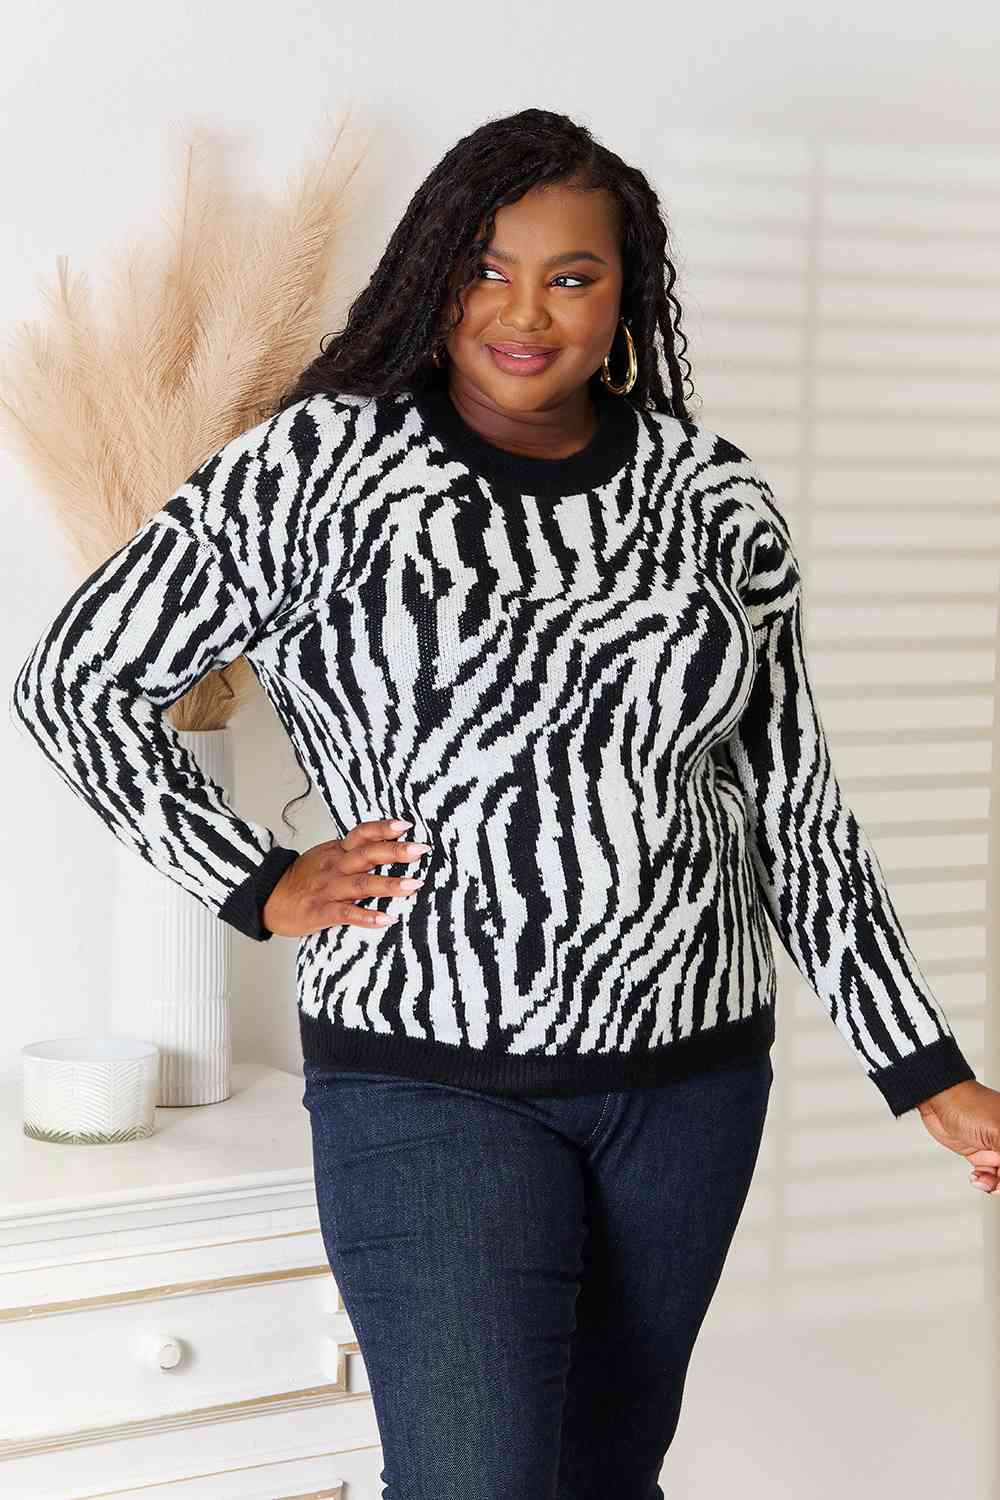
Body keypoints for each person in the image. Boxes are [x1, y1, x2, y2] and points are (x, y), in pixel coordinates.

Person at [11, 108, 1000, 1498]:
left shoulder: (714, 498)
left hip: (691, 1078)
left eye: (572, 276)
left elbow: (794, 804)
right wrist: (259, 880)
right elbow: (76, 682)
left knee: (605, 1477)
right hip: (423, 1073)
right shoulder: (315, 470)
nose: (525, 313)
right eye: (487, 268)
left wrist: (926, 1070)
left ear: (624, 293)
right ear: (434, 274)